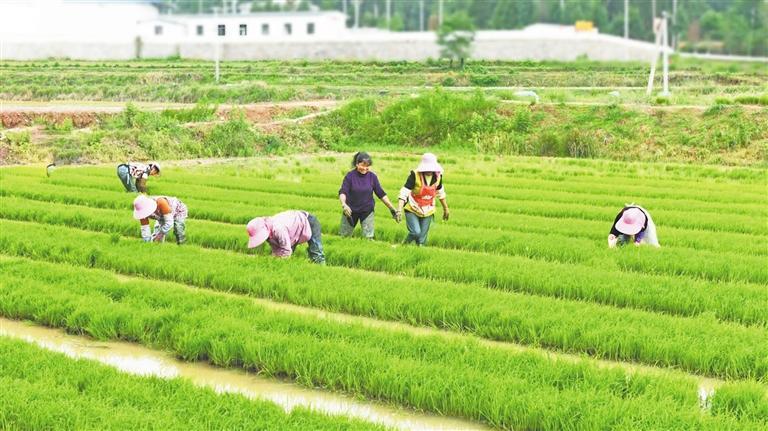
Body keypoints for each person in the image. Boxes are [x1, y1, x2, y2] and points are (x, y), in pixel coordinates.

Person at [338, 152, 400, 239]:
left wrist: (392, 208)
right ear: (356, 164)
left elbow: (381, 194)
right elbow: (343, 191)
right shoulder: (350, 176)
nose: (365, 168)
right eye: (362, 165)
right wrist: (344, 205)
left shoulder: (372, 177)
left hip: (367, 210)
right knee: (344, 236)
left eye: (367, 166)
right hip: (350, 210)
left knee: (368, 237)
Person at [397, 153, 450, 246]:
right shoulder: (415, 175)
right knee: (415, 232)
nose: (429, 170)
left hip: (428, 210)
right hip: (413, 208)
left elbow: (440, 193)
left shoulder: (438, 176)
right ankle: (403, 246)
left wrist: (446, 209)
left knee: (421, 239)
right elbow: (404, 192)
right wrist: (399, 209)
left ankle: (419, 253)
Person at [246, 210, 325, 264]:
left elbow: (286, 251)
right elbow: (276, 249)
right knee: (285, 255)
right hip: (292, 231)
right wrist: (274, 261)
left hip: (309, 221)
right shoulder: (269, 235)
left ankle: (322, 272)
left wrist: (280, 264)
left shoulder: (278, 229)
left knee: (316, 253)